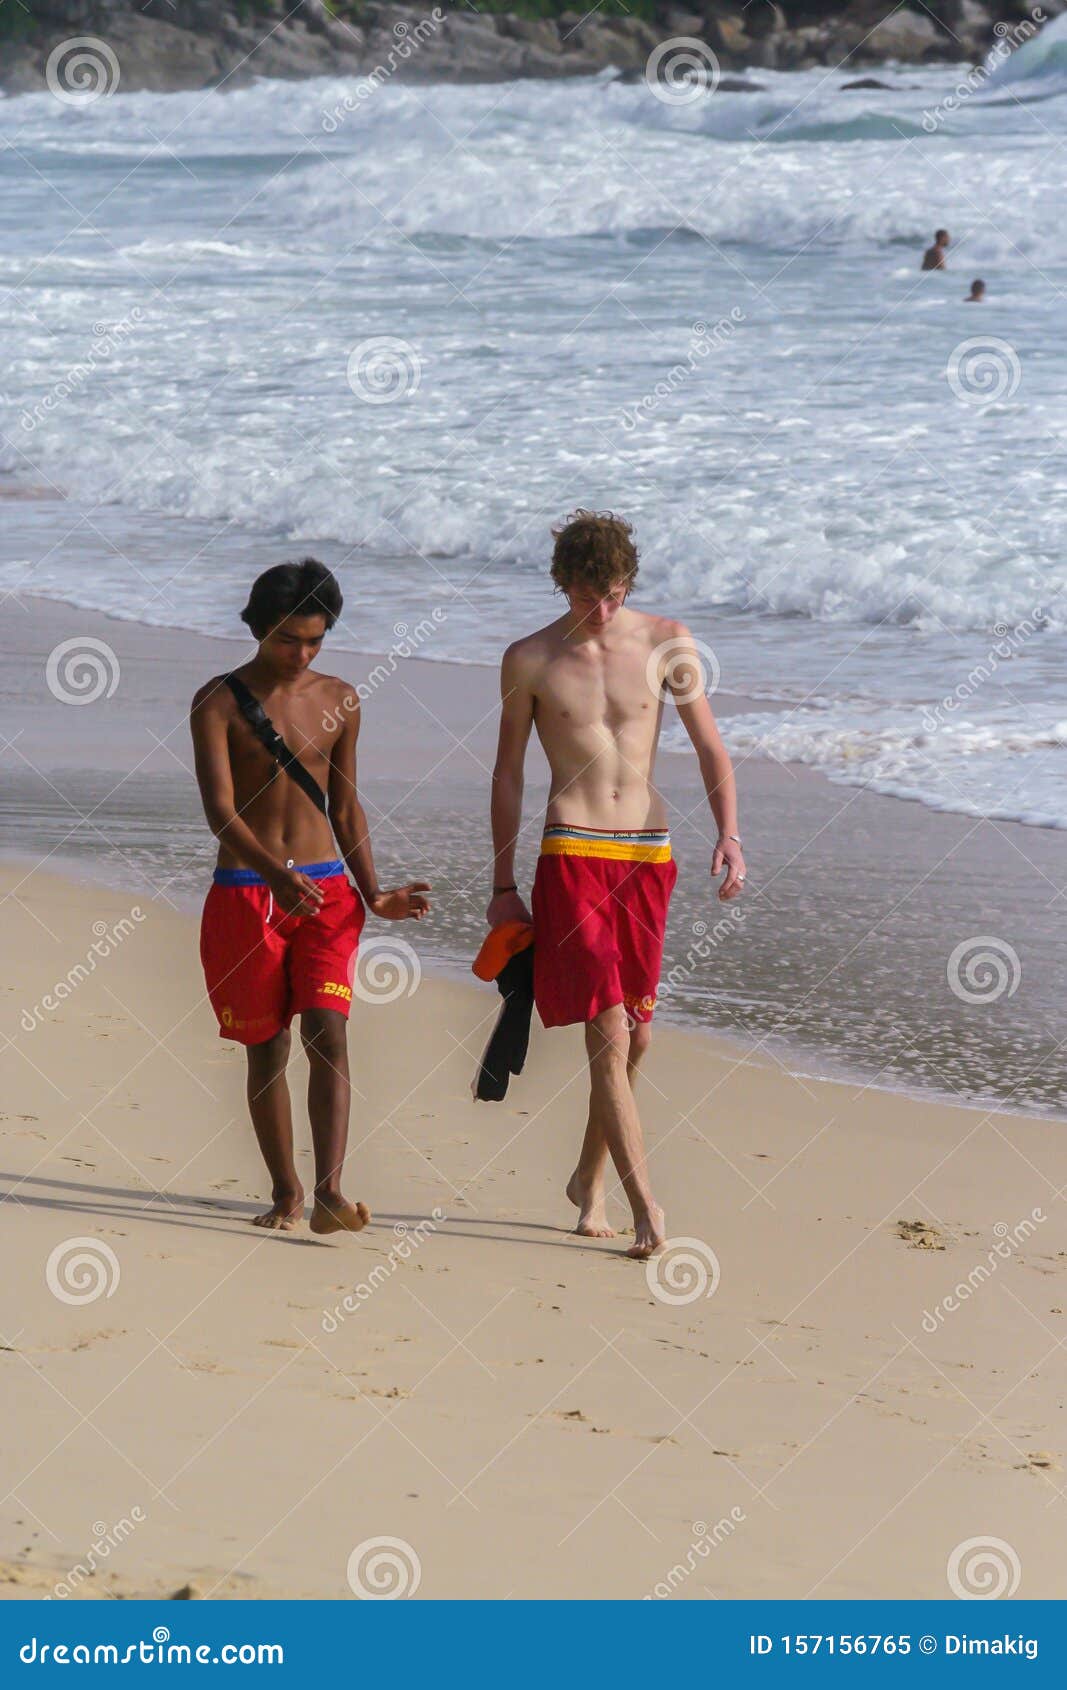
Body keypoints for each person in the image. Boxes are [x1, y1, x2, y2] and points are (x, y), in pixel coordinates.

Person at [487, 512, 745, 1258]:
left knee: (639, 1034)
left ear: (626, 585)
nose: (598, 612)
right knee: (606, 1029)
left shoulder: (668, 640)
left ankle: (586, 1178)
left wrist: (730, 835)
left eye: (611, 595)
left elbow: (708, 745)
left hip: (646, 855)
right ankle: (647, 1209)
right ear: (561, 583)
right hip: (571, 850)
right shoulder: (529, 658)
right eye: (583, 596)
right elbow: (508, 771)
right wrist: (502, 881)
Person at [190, 558, 430, 1235]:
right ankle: (286, 1191)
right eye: (290, 639)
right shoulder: (217, 702)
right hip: (248, 891)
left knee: (328, 1029)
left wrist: (375, 893)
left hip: (325, 893)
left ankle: (329, 1190)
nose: (303, 653)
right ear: (260, 629)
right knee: (267, 1047)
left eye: (316, 639)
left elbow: (347, 808)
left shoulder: (341, 699)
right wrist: (271, 872)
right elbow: (219, 811)